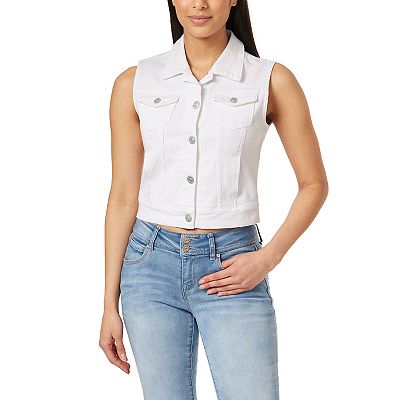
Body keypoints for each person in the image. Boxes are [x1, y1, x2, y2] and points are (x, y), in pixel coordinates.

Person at [99, 1, 329, 399]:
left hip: (234, 266)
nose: (199, 4)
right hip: (149, 270)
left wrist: (266, 258)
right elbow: (122, 197)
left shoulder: (270, 80)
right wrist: (108, 305)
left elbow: (314, 184)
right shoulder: (135, 82)